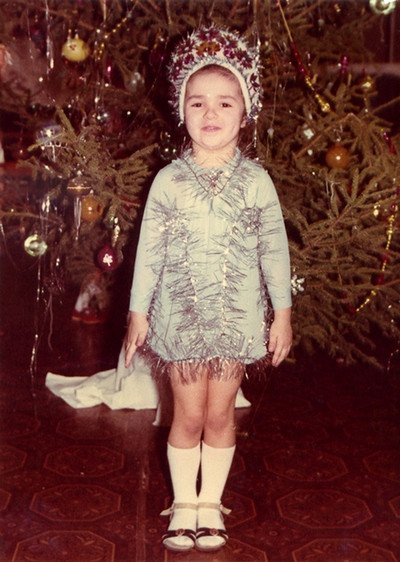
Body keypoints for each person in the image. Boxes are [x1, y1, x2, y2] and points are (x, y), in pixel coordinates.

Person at [124, 25, 292, 553]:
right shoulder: (169, 181)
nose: (211, 113)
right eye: (198, 103)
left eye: (225, 102)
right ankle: (183, 503)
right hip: (179, 321)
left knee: (220, 415)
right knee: (188, 414)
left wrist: (283, 314)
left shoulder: (257, 182)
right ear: (182, 111)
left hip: (237, 321)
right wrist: (138, 313)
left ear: (245, 112)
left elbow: (274, 250)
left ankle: (210, 503)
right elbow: (149, 252)